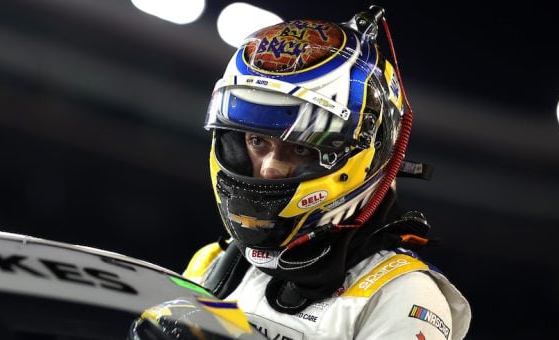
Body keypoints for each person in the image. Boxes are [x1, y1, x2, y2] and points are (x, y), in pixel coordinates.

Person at [184, 5, 471, 339]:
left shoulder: (402, 295)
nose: (270, 168)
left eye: (302, 148)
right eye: (257, 141)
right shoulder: (213, 262)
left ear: (366, 154)